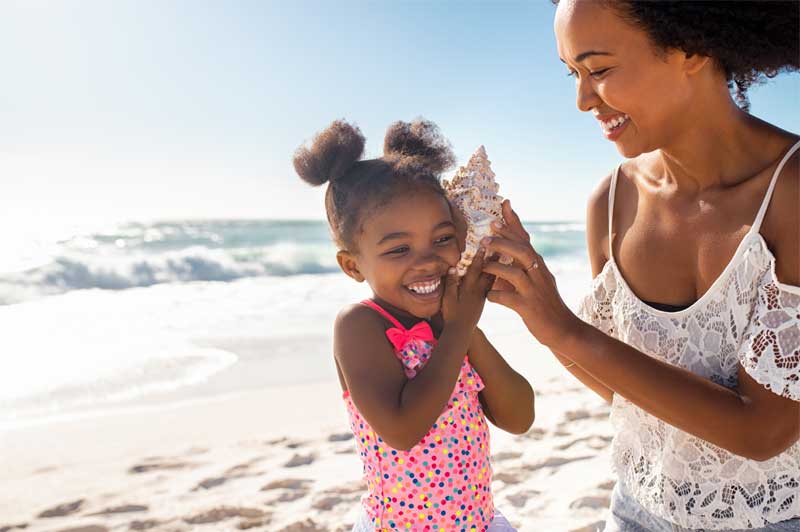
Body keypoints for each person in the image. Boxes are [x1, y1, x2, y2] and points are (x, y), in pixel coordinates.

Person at [480, 1, 800, 531]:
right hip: (634, 510)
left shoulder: (791, 193)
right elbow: (621, 392)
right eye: (573, 74)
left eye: (599, 69)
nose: (583, 100)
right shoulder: (611, 203)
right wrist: (536, 309)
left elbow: (764, 431)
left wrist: (565, 329)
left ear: (691, 48)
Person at [293, 118, 534, 532]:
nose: (427, 261)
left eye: (442, 239)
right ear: (353, 266)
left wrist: (468, 332)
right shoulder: (360, 326)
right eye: (399, 249)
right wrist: (459, 329)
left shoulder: (453, 323)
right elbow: (403, 430)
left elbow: (519, 417)